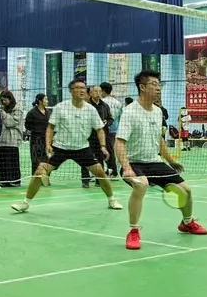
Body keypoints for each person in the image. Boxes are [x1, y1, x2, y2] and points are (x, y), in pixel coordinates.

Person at [116, 70, 207, 250]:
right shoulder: (130, 111)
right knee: (141, 185)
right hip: (134, 163)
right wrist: (126, 168)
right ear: (142, 87)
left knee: (186, 190)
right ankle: (133, 231)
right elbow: (119, 142)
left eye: (159, 85)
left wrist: (170, 160)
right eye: (154, 84)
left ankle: (187, 223)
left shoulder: (158, 111)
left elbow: (159, 139)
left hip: (154, 162)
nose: (158, 88)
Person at [11, 78, 123, 213]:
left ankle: (112, 200)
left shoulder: (91, 109)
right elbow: (50, 127)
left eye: (83, 88)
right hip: (60, 148)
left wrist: (103, 146)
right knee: (40, 172)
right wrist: (48, 144)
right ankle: (25, 203)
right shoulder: (61, 107)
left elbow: (99, 129)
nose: (82, 90)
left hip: (82, 148)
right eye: (78, 88)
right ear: (71, 91)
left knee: (100, 171)